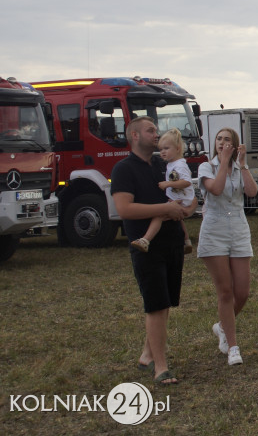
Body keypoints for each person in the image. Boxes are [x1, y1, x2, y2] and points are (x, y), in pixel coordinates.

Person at [110, 117, 196, 386]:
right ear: (134, 135)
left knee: (165, 301)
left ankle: (148, 355)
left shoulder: (165, 164)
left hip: (171, 241)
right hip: (145, 244)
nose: (156, 135)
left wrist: (188, 209)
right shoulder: (124, 169)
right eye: (150, 130)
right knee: (156, 304)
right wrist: (164, 210)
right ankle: (161, 367)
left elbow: (186, 192)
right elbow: (124, 209)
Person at [197, 127, 258, 366]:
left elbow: (252, 192)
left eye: (227, 140)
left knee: (242, 292)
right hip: (215, 230)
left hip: (239, 229)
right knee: (225, 291)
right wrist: (223, 163)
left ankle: (222, 326)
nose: (222, 143)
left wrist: (241, 164)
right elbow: (216, 189)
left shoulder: (238, 166)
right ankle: (233, 346)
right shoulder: (206, 167)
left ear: (235, 145)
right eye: (219, 140)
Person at [130, 129, 195, 254]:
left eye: (166, 148)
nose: (162, 152)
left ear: (177, 148)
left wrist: (168, 184)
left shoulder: (180, 165)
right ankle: (186, 242)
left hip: (181, 199)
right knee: (177, 219)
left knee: (159, 215)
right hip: (177, 198)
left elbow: (187, 182)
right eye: (160, 149)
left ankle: (145, 240)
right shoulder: (171, 164)